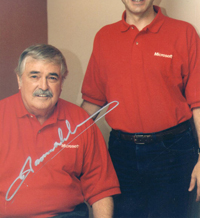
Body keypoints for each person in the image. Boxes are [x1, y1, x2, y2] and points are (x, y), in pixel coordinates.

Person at [81, 0, 200, 218]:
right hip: (121, 154)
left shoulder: (184, 33)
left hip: (174, 152)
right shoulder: (104, 37)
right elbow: (92, 103)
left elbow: (198, 103)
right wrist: (63, 146)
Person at [0, 44, 120, 218]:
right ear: (19, 79)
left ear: (62, 82)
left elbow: (101, 190)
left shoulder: (80, 120)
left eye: (52, 78)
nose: (44, 86)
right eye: (34, 76)